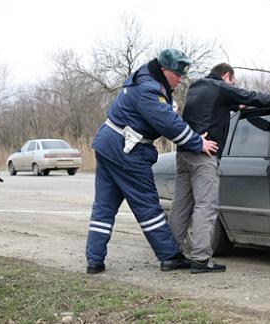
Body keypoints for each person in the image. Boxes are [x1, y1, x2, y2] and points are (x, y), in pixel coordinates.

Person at [85, 49, 218, 274]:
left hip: (109, 145)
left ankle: (94, 260)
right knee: (148, 207)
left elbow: (159, 115)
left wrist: (169, 107)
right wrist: (198, 143)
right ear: (164, 69)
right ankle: (169, 256)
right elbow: (169, 124)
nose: (180, 79)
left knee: (104, 207)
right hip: (126, 150)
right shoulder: (149, 90)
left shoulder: (143, 80)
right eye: (176, 74)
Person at [168, 63, 270, 273]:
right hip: (205, 154)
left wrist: (234, 106)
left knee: (181, 205)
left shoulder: (196, 87)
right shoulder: (221, 87)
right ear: (227, 76)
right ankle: (201, 259)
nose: (233, 85)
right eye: (233, 82)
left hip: (184, 153)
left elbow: (211, 110)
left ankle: (171, 256)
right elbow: (252, 96)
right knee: (206, 206)